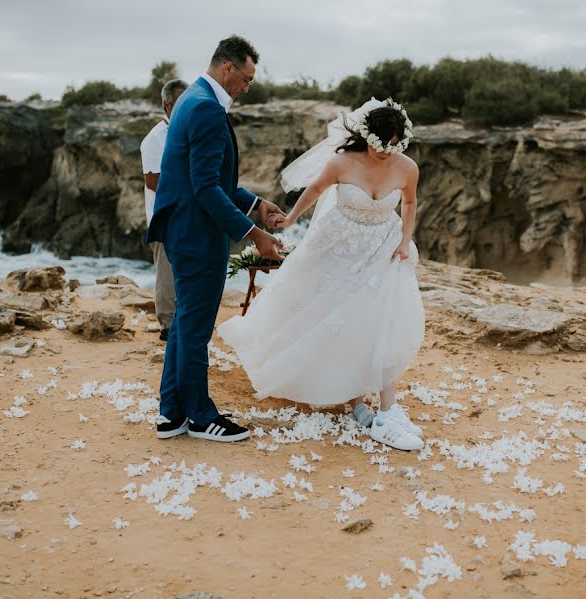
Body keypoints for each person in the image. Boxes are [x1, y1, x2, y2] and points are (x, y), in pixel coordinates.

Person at [218, 98, 427, 451]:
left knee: (383, 320)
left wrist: (406, 241)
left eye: (394, 145)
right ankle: (355, 396)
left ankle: (388, 409)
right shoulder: (342, 162)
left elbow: (409, 203)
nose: (386, 152)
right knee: (337, 319)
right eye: (381, 144)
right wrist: (292, 219)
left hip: (383, 248)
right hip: (339, 247)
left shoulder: (406, 167)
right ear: (366, 137)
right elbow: (315, 189)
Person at [146, 35, 285, 442]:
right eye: (246, 78)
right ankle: (202, 416)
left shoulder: (192, 98)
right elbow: (206, 189)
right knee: (194, 326)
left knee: (184, 323)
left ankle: (171, 413)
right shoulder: (205, 108)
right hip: (196, 232)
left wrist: (256, 203)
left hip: (183, 227)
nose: (246, 87)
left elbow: (216, 181)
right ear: (228, 69)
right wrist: (254, 234)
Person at [140, 78, 187, 341]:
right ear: (166, 105)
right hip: (164, 216)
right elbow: (153, 180)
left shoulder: (186, 131)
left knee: (183, 267)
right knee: (166, 271)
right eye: (179, 103)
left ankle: (182, 320)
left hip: (186, 215)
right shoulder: (155, 139)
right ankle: (167, 325)